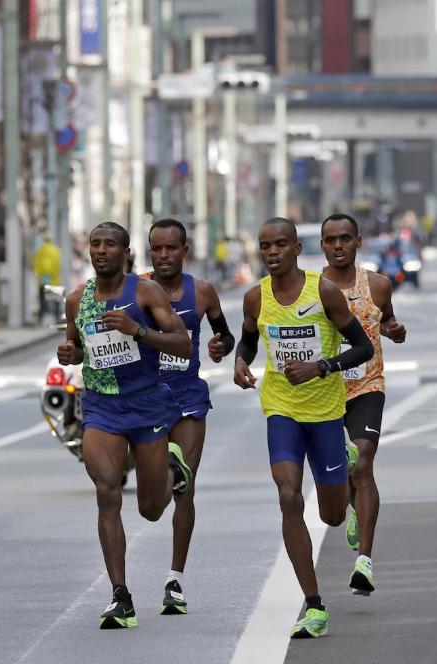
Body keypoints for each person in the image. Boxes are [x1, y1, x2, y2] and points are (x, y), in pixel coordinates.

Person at [233, 217, 374, 639]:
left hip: (327, 412)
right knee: (288, 495)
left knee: (331, 516)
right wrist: (240, 361)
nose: (272, 252)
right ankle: (314, 605)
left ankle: (345, 465)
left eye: (280, 244)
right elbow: (248, 341)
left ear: (296, 248)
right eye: (264, 246)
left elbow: (363, 347)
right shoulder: (255, 297)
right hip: (281, 409)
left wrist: (322, 366)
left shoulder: (324, 292)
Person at [57, 221, 195, 630]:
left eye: (110, 244)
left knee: (152, 510)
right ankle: (120, 595)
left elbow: (183, 343)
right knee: (106, 490)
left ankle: (173, 469)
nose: (101, 250)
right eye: (95, 244)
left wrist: (137, 330)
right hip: (101, 408)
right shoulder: (76, 300)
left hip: (147, 406)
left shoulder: (144, 292)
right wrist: (70, 353)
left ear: (125, 252)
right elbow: (78, 348)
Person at [143, 218, 236, 615]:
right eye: (157, 249)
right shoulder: (136, 290)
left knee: (185, 486)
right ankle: (165, 467)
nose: (164, 256)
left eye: (171, 248)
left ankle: (175, 580)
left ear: (185, 250)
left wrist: (220, 346)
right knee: (155, 501)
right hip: (144, 400)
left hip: (187, 397)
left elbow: (226, 335)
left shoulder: (202, 292)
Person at [320, 213, 407, 597]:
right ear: (322, 245)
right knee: (345, 471)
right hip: (322, 391)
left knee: (364, 461)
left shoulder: (379, 285)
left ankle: (365, 563)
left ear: (357, 242)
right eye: (329, 240)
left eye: (344, 238)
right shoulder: (312, 288)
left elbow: (386, 320)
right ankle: (353, 508)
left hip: (367, 385)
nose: (337, 245)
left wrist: (394, 330)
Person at [34, 233, 63, 320]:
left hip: (43, 278)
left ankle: (41, 318)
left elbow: (36, 263)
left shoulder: (40, 250)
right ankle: (57, 317)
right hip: (54, 279)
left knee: (42, 299)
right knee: (55, 300)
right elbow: (58, 264)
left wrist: (39, 273)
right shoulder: (56, 250)